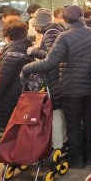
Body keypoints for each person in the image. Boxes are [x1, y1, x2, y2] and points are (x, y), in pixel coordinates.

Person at [21, 5, 91, 168]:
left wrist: (27, 68)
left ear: (65, 20)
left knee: (73, 124)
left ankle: (77, 160)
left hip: (70, 88)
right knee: (90, 121)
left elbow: (50, 61)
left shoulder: (65, 37)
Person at [26, 8, 67, 150]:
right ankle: (61, 144)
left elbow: (52, 57)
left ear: (40, 24)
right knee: (58, 111)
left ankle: (58, 147)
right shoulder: (55, 30)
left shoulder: (51, 33)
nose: (34, 28)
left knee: (56, 111)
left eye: (35, 25)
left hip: (54, 77)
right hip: (59, 76)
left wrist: (34, 51)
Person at [0, 22, 32, 139]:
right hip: (23, 93)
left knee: (8, 133)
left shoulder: (12, 52)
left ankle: (10, 154)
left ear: (8, 36)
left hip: (10, 97)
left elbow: (5, 78)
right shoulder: (27, 47)